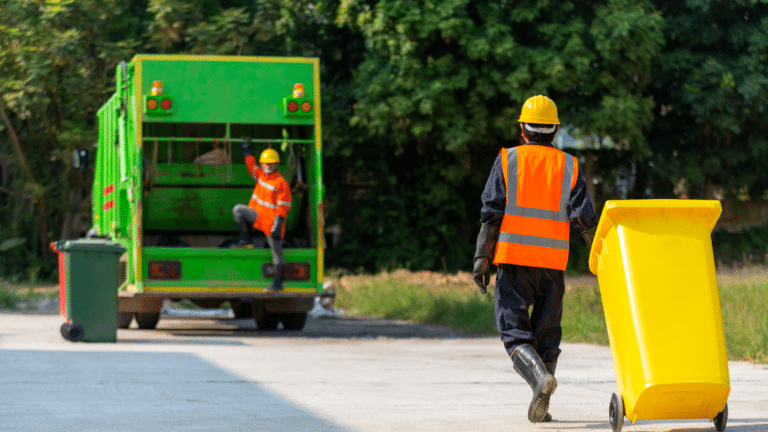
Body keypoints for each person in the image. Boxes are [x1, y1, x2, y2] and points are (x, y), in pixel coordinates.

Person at [472, 95, 598, 423]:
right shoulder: (569, 165)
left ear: (522, 129)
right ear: (554, 130)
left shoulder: (508, 160)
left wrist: (481, 258)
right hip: (553, 265)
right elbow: (584, 217)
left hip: (514, 262)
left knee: (514, 332)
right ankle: (543, 404)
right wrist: (600, 257)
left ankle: (539, 381)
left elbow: (491, 214)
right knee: (547, 332)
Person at [232, 139, 292, 292]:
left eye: (272, 164)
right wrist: (246, 151)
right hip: (257, 216)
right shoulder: (260, 175)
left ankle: (277, 285)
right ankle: (246, 241)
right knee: (238, 210)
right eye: (266, 163)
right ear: (263, 164)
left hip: (272, 224)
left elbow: (283, 206)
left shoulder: (281, 183)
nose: (269, 166)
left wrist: (278, 226)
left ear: (277, 164)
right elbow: (251, 166)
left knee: (277, 253)